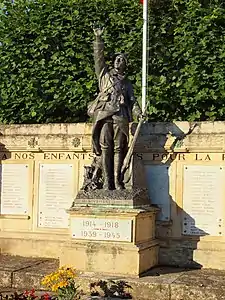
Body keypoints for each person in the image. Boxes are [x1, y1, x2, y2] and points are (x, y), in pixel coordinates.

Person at [87, 27, 142, 190]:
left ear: (125, 64)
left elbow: (133, 101)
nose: (118, 61)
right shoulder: (104, 75)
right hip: (104, 115)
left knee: (119, 149)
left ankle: (117, 181)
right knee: (105, 148)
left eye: (122, 60)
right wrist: (98, 40)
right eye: (117, 59)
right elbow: (98, 59)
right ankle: (106, 181)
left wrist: (138, 113)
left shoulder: (127, 83)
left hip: (121, 116)